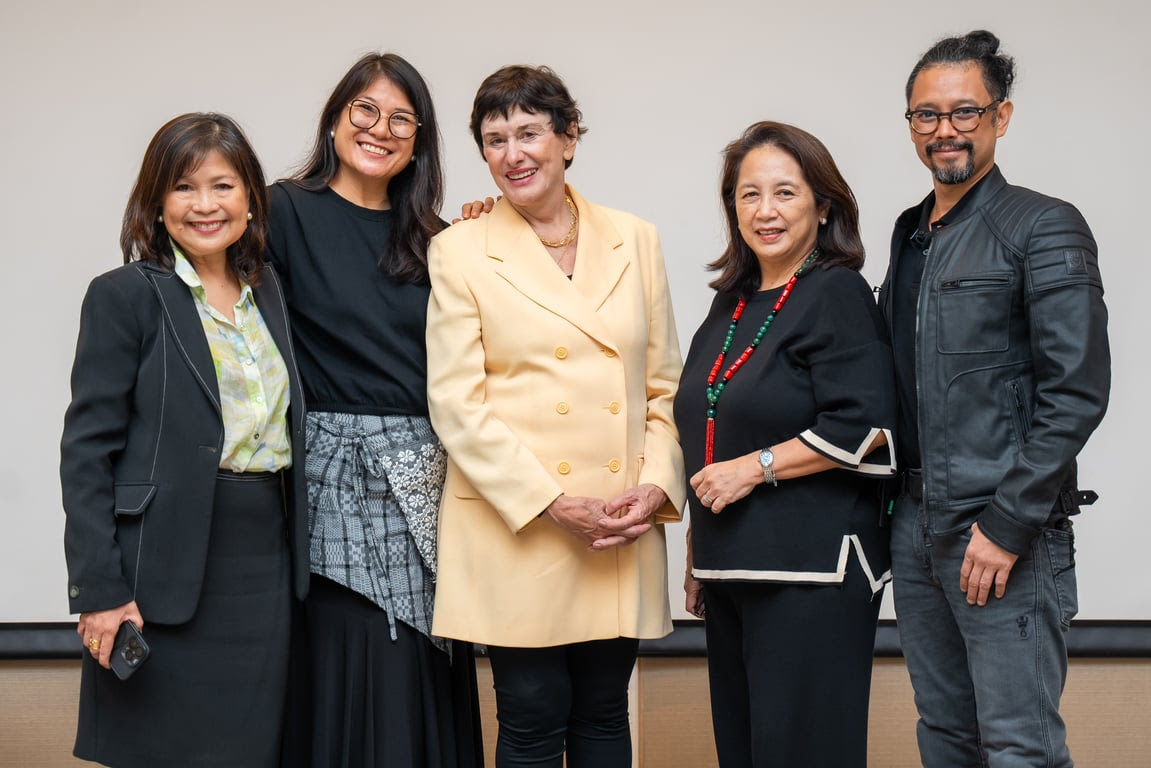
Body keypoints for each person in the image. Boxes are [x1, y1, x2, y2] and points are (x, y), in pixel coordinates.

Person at [426, 64, 685, 768]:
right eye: (494, 138)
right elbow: (456, 402)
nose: (512, 154)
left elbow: (664, 388)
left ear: (568, 139)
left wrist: (656, 489)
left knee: (603, 715)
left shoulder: (635, 238)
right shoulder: (458, 250)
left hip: (616, 523)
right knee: (533, 719)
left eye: (529, 133)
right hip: (518, 525)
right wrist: (548, 501)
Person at [879, 30, 1110, 767]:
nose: (943, 129)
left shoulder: (1042, 226)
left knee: (1018, 746)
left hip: (1002, 531)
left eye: (964, 111)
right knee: (944, 736)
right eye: (925, 114)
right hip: (914, 527)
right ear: (910, 123)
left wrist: (1008, 522)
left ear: (1000, 118)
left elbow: (1075, 392)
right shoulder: (908, 235)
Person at [61, 112, 309, 767]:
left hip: (265, 569)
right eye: (184, 187)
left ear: (251, 200)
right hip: (159, 573)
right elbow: (87, 452)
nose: (205, 205)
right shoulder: (125, 296)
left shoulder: (270, 292)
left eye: (223, 186)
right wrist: (100, 590)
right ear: (155, 202)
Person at [267, 52, 483, 767]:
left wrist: (496, 233)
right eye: (365, 110)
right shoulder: (280, 211)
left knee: (424, 662)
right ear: (334, 120)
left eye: (401, 118)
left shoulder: (441, 238)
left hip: (430, 481)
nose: (380, 129)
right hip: (330, 480)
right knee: (351, 658)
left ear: (418, 141)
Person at [676, 121, 897, 767]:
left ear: (822, 205)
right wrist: (696, 543)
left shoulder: (836, 292)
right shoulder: (731, 304)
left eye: (784, 193)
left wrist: (753, 469)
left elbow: (866, 426)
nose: (764, 211)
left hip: (811, 573)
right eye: (748, 195)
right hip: (731, 567)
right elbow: (709, 422)